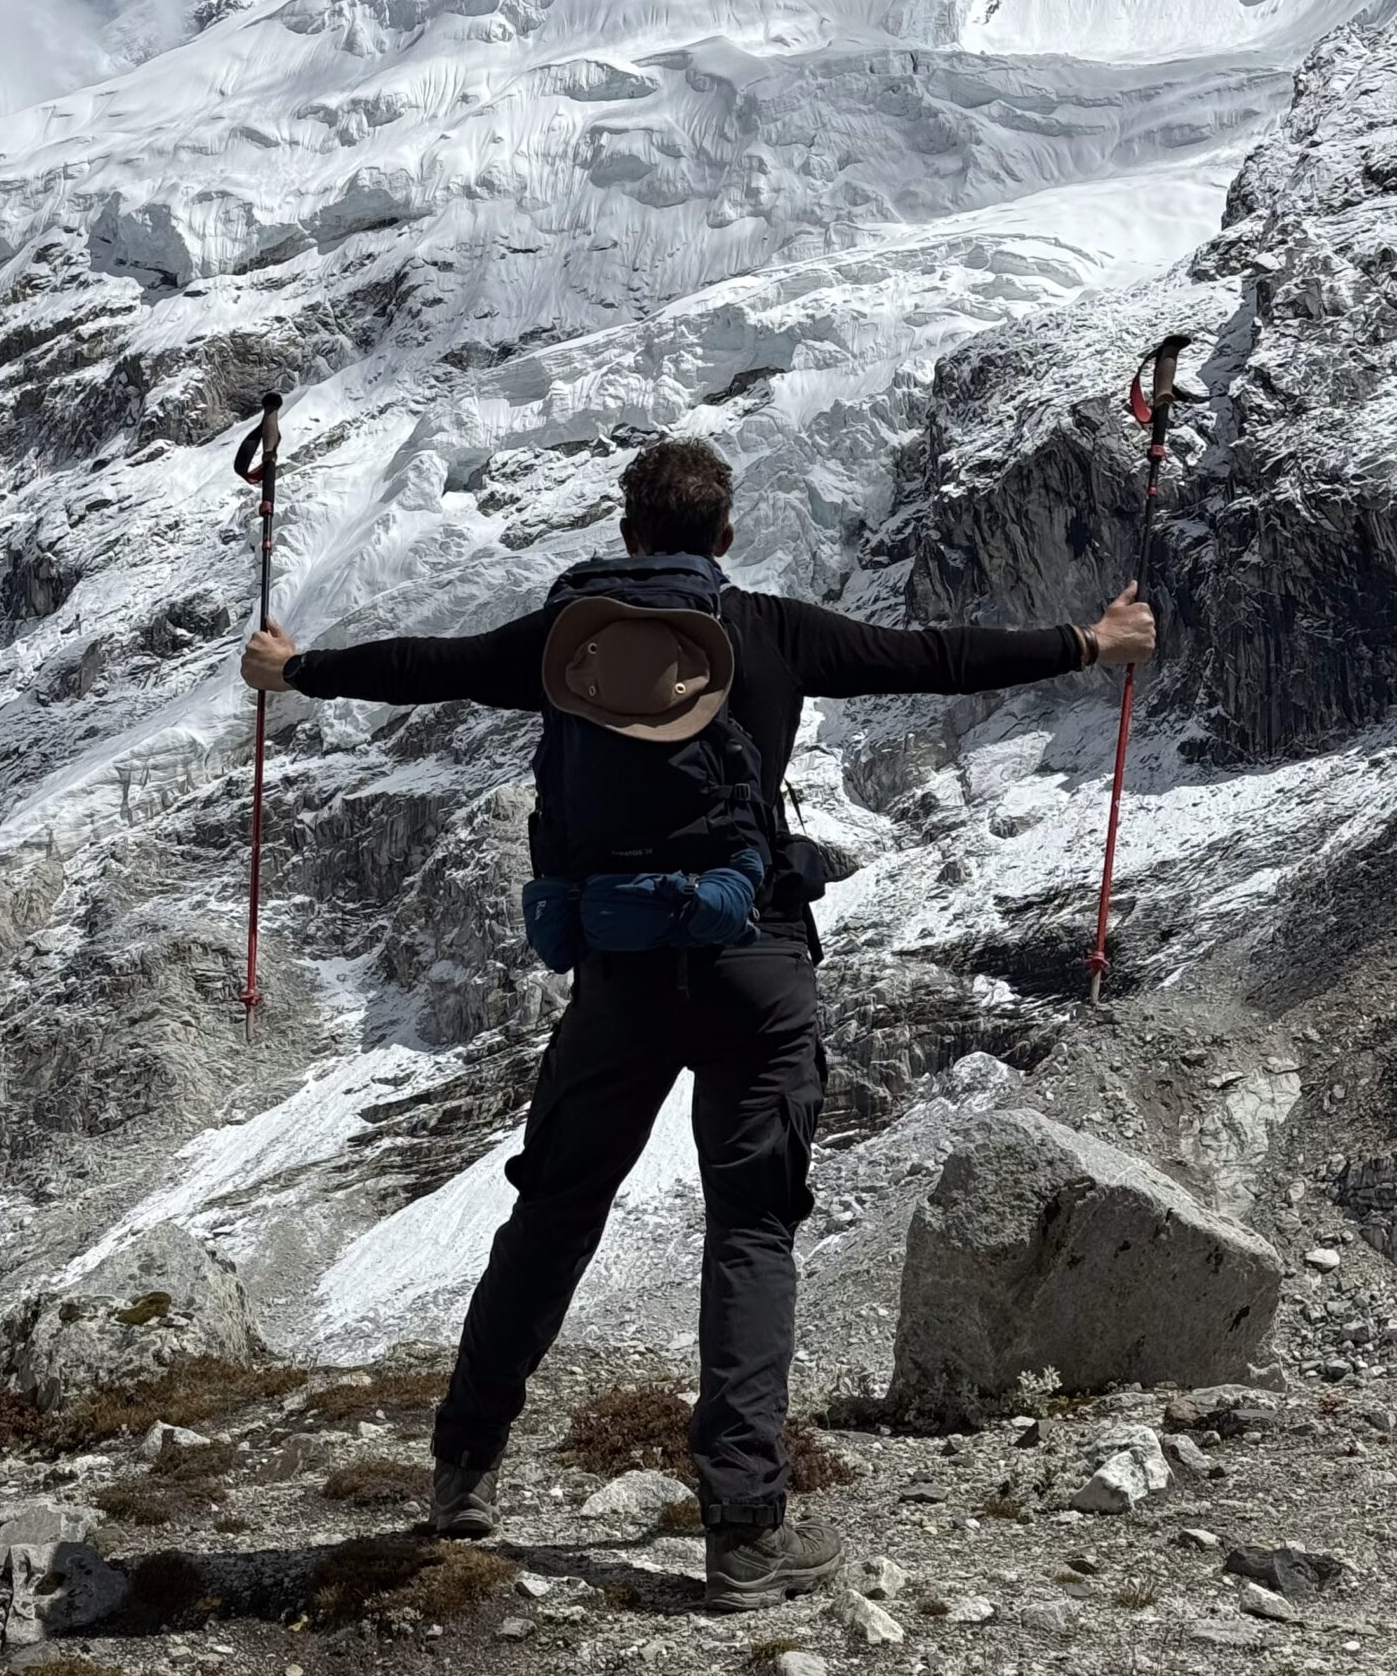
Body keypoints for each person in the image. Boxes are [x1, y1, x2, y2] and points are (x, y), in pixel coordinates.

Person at [242, 435, 1155, 1611]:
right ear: (725, 535)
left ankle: (464, 1470)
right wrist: (1090, 640)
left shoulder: (562, 643)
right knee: (751, 1234)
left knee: (553, 1214)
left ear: (627, 531)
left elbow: (431, 665)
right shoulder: (768, 629)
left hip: (618, 978)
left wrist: (296, 669)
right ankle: (743, 1536)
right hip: (753, 966)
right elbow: (935, 655)